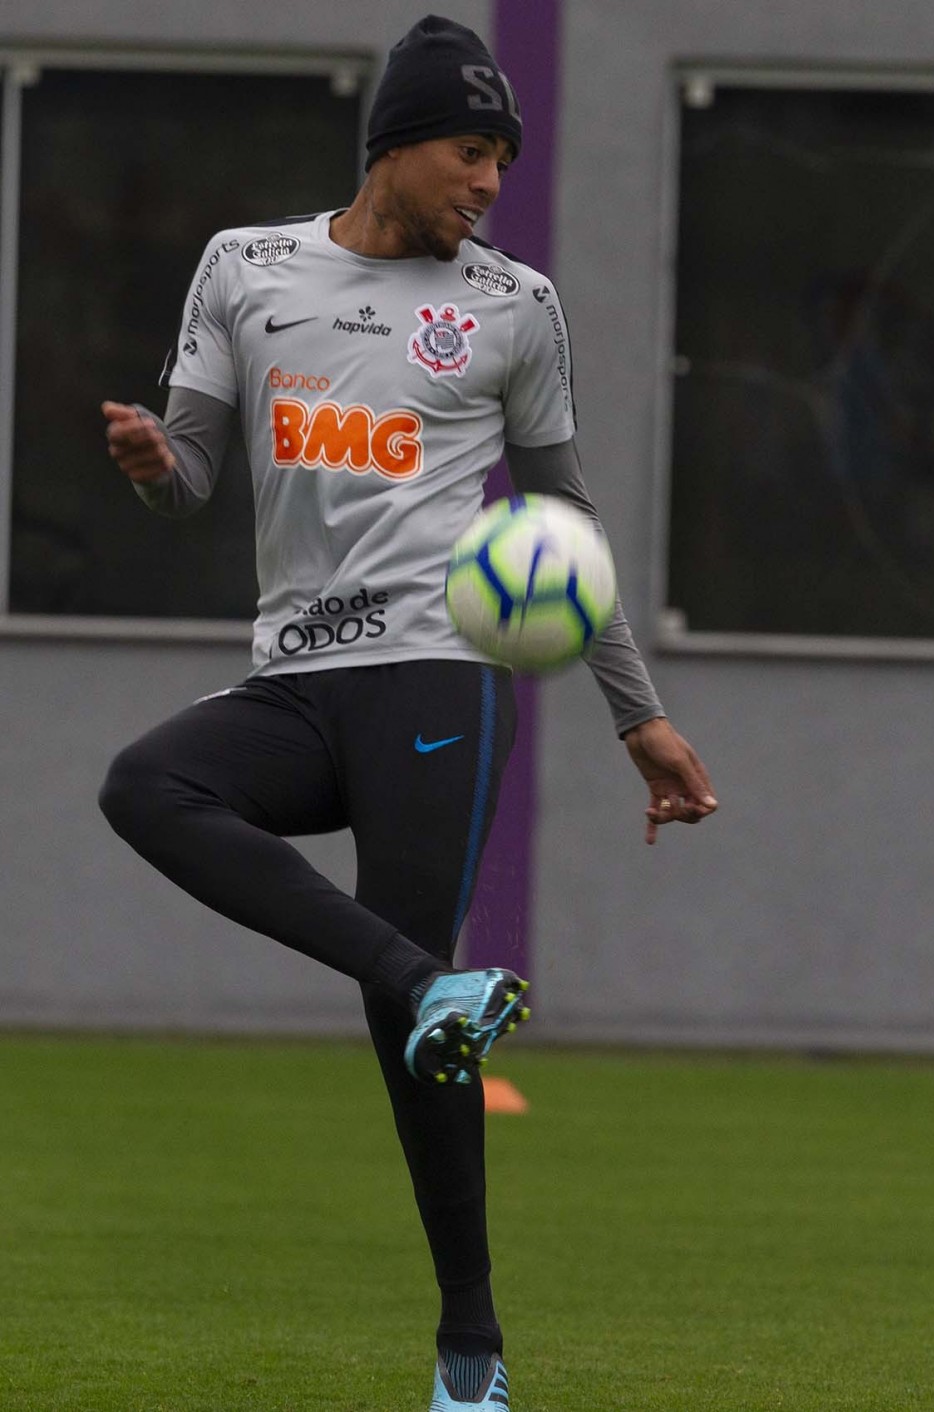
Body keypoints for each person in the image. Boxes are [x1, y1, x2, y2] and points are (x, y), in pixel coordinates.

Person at [98, 15, 717, 1411]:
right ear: (391, 145)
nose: (489, 180)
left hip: (440, 674)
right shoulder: (245, 268)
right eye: (467, 150)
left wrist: (639, 717)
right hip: (293, 678)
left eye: (502, 156)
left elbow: (564, 526)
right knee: (147, 785)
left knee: (411, 1032)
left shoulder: (514, 304)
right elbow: (190, 476)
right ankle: (417, 977)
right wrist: (149, 460)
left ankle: (471, 1353)